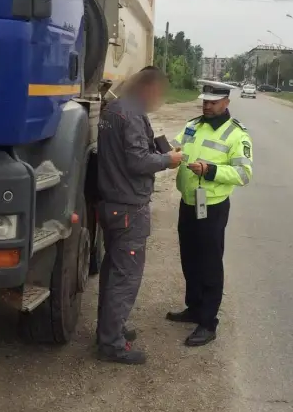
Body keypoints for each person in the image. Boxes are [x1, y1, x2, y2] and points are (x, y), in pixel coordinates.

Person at [96, 67, 183, 365]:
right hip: (129, 207)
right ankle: (112, 343)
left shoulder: (114, 109)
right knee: (125, 277)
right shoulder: (131, 114)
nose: (159, 99)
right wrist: (168, 160)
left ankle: (110, 329)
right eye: (158, 92)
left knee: (113, 272)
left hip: (112, 202)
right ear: (147, 88)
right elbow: (137, 161)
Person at [167, 80, 253, 346]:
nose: (207, 105)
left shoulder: (237, 135)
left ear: (226, 102)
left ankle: (208, 322)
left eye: (212, 102)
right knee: (189, 258)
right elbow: (174, 147)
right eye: (204, 101)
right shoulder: (193, 125)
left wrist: (211, 170)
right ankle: (194, 307)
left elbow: (243, 174)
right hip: (189, 202)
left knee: (210, 263)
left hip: (212, 207)